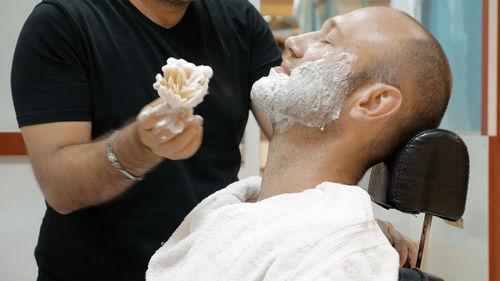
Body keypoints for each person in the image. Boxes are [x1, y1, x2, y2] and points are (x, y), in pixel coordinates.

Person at [11, 0, 416, 280]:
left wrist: (343, 217)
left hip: (213, 260)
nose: (293, 46)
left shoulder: (238, 20)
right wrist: (139, 145)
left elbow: (305, 135)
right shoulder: (64, 22)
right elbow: (62, 187)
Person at [146, 6, 451, 281]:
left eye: (328, 40)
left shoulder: (338, 260)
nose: (292, 42)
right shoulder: (228, 211)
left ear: (373, 102)